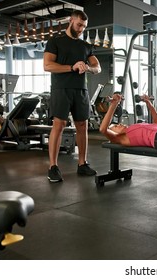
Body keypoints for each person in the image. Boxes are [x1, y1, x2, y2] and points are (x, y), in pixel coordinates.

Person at [44, 10, 101, 183]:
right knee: (59, 125)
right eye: (79, 25)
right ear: (71, 21)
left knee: (82, 125)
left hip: (81, 90)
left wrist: (87, 68)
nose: (82, 28)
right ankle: (53, 167)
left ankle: (82, 163)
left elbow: (97, 67)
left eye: (84, 26)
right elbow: (47, 65)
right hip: (61, 88)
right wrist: (72, 67)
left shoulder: (85, 46)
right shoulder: (55, 41)